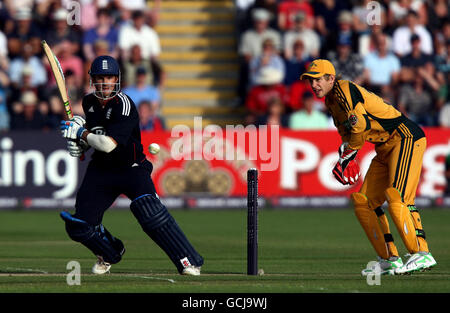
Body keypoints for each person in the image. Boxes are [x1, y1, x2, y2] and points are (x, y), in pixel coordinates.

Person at [58, 55, 203, 276]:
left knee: (150, 213)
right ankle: (110, 252)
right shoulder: (88, 103)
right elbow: (96, 136)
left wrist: (80, 133)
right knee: (79, 225)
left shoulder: (124, 105)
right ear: (92, 80)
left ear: (117, 79)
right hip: (102, 171)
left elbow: (107, 144)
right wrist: (80, 146)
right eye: (99, 78)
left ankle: (188, 261)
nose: (104, 82)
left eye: (109, 77)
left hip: (131, 168)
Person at [300, 59, 437, 276]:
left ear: (331, 78)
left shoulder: (344, 89)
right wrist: (346, 156)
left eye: (318, 79)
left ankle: (421, 253)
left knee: (397, 197)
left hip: (405, 137)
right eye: (310, 81)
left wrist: (346, 158)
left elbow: (360, 126)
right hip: (383, 148)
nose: (314, 85)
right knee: (363, 203)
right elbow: (349, 136)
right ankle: (390, 258)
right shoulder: (331, 102)